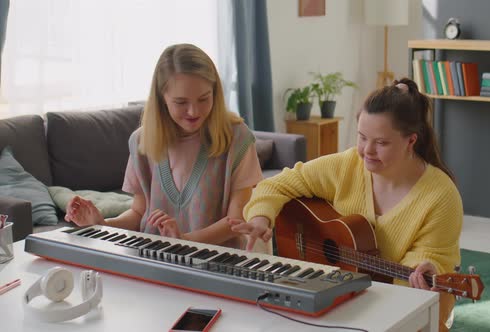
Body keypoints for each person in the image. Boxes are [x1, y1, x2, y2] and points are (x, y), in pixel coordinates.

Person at [230, 78, 462, 331]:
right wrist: (260, 218)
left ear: (411, 141)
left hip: (407, 309)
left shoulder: (441, 195)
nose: (367, 151)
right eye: (362, 137)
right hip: (339, 297)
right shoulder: (348, 164)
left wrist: (424, 269)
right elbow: (276, 184)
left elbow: (430, 259)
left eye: (381, 143)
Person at [65, 43, 263, 249]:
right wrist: (103, 225)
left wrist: (185, 242)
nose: (194, 111)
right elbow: (139, 213)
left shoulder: (237, 138)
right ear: (162, 98)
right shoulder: (141, 142)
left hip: (219, 266)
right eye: (181, 102)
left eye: (204, 99)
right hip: (154, 262)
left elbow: (237, 221)